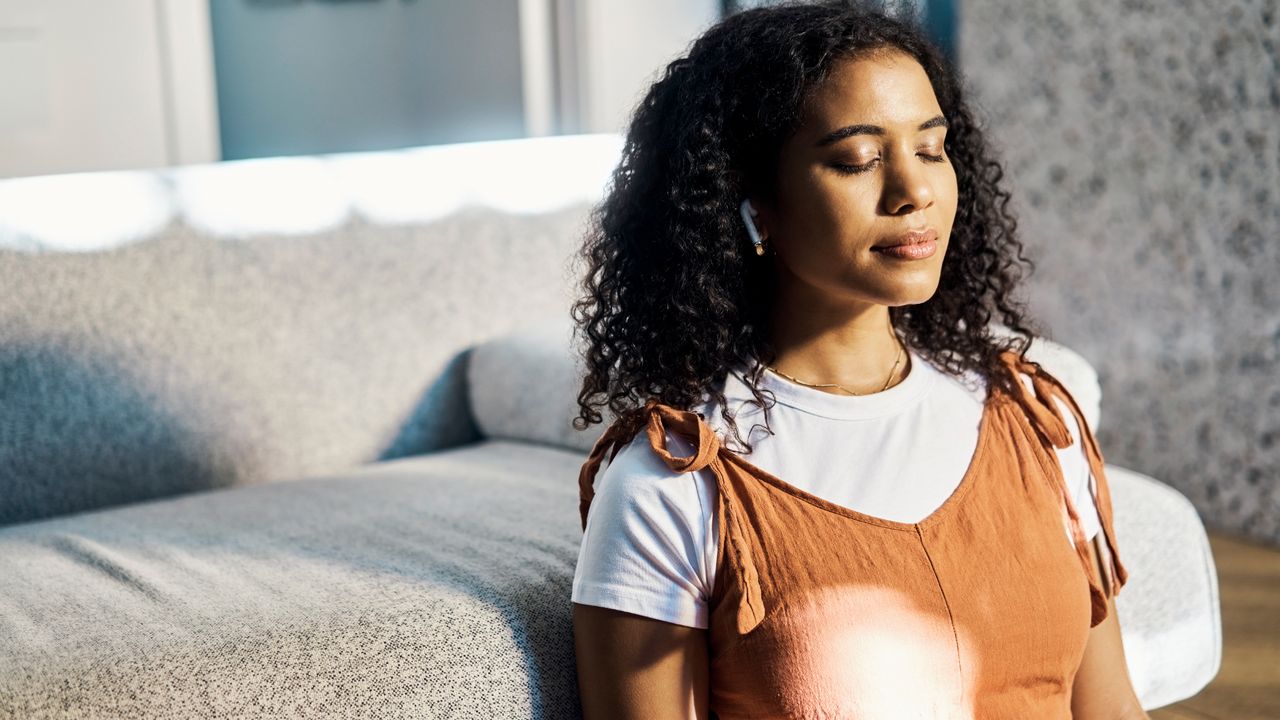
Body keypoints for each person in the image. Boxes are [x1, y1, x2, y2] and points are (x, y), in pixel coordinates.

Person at [567, 2, 1147, 718]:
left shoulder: (1035, 418)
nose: (916, 193)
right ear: (752, 204)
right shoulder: (671, 487)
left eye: (932, 149)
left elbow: (1111, 709)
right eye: (857, 160)